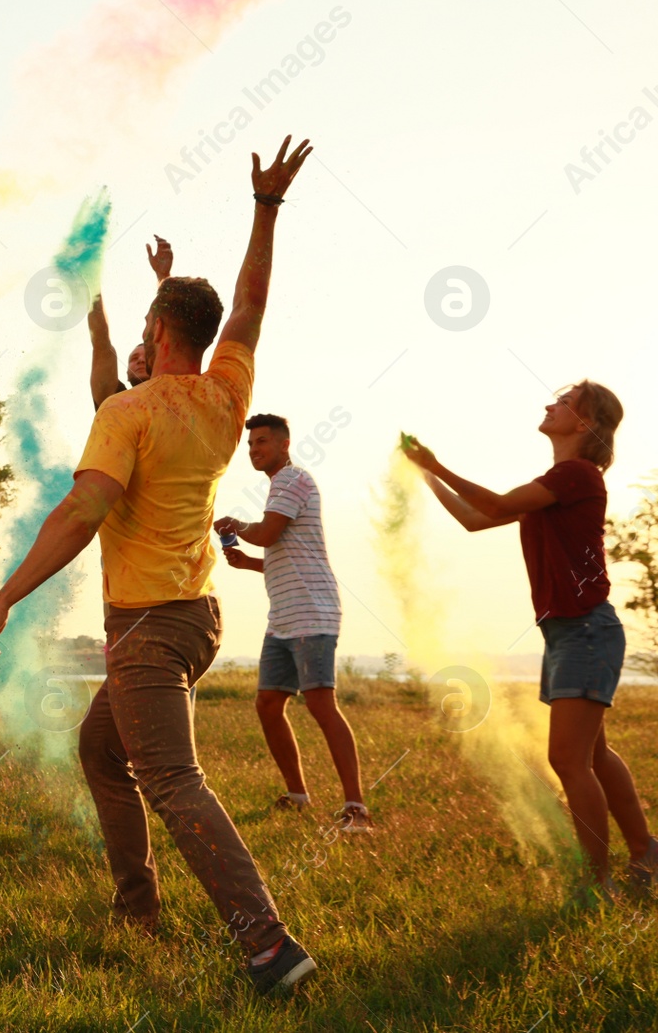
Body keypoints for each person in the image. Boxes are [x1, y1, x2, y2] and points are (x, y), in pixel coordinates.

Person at [0, 136, 316, 996]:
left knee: (170, 776)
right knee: (102, 748)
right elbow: (248, 304)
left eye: (144, 322)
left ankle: (269, 942)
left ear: (155, 331)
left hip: (152, 625)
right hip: (196, 618)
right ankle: (138, 904)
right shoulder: (226, 393)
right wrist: (264, 209)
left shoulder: (127, 412)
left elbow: (84, 510)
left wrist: (3, 598)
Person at [402, 384, 657, 896]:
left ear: (585, 422)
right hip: (569, 632)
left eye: (563, 402)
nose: (549, 405)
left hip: (585, 629)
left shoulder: (576, 475)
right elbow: (478, 519)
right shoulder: (555, 484)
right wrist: (426, 473)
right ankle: (646, 853)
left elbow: (493, 502)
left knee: (569, 761)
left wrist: (438, 463)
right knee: (594, 756)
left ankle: (599, 883)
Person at [216, 414, 370, 832]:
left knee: (321, 704)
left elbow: (266, 533)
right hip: (282, 615)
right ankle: (297, 794)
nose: (254, 450)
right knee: (268, 703)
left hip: (311, 612)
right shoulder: (278, 487)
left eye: (262, 442)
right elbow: (280, 553)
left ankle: (356, 808)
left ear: (285, 444)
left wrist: (237, 526)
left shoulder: (291, 479)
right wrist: (248, 562)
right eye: (250, 445)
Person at [87, 235, 172, 409]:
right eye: (134, 358)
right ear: (126, 372)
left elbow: (172, 329)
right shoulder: (112, 399)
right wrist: (90, 275)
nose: (140, 360)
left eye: (145, 356)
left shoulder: (177, 395)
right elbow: (101, 341)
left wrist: (164, 277)